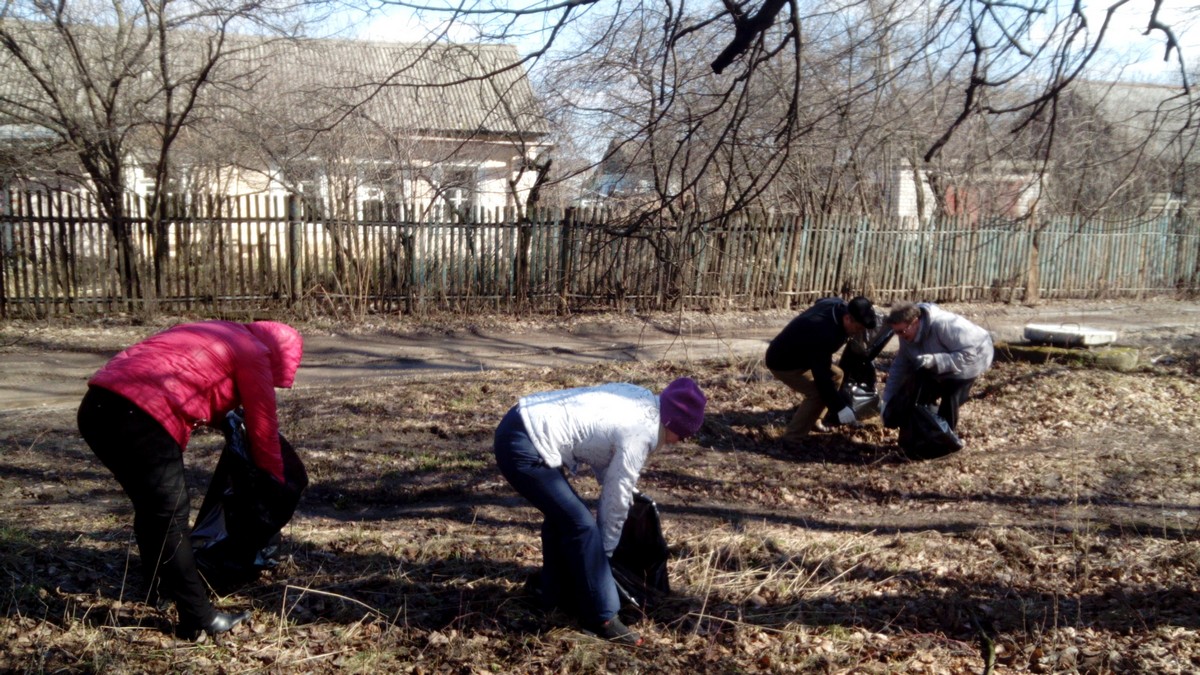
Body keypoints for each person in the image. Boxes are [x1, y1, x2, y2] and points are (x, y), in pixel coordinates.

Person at [77, 320, 304, 640]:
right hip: (140, 417)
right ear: (277, 355)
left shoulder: (211, 330)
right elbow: (263, 432)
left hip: (96, 408)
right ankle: (198, 617)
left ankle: (156, 587)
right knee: (169, 516)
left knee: (153, 509)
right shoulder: (254, 354)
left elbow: (190, 382)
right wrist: (276, 486)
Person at [493, 377, 707, 646]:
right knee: (581, 526)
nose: (680, 442)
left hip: (522, 422)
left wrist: (625, 495)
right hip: (524, 443)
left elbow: (604, 449)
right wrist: (603, 555)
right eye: (684, 435)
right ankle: (602, 618)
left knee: (563, 519)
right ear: (672, 423)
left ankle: (551, 593)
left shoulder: (638, 397)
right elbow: (614, 499)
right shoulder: (641, 433)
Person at [765, 296, 879, 443]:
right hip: (783, 362)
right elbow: (822, 378)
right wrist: (840, 407)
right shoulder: (824, 332)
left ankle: (815, 419)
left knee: (837, 375)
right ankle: (792, 438)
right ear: (848, 318)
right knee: (818, 392)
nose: (857, 333)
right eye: (858, 328)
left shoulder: (837, 305)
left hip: (804, 355)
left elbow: (822, 300)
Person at [881, 302, 994, 449]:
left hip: (976, 356)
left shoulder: (944, 325)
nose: (899, 336)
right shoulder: (906, 334)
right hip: (939, 358)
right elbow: (900, 365)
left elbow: (968, 355)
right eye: (896, 332)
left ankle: (945, 443)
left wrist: (935, 360)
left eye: (901, 332)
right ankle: (923, 436)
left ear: (915, 322)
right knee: (919, 390)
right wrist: (887, 400)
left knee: (951, 394)